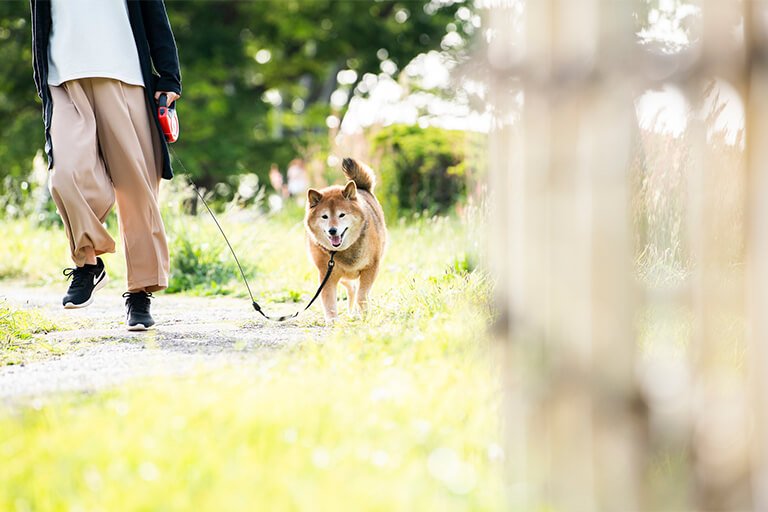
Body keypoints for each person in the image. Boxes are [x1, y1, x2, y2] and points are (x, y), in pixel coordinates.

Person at [30, 0, 182, 330]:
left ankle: (140, 292)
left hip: (125, 76)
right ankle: (88, 262)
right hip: (63, 80)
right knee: (65, 176)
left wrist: (169, 77)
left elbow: (154, 13)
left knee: (137, 191)